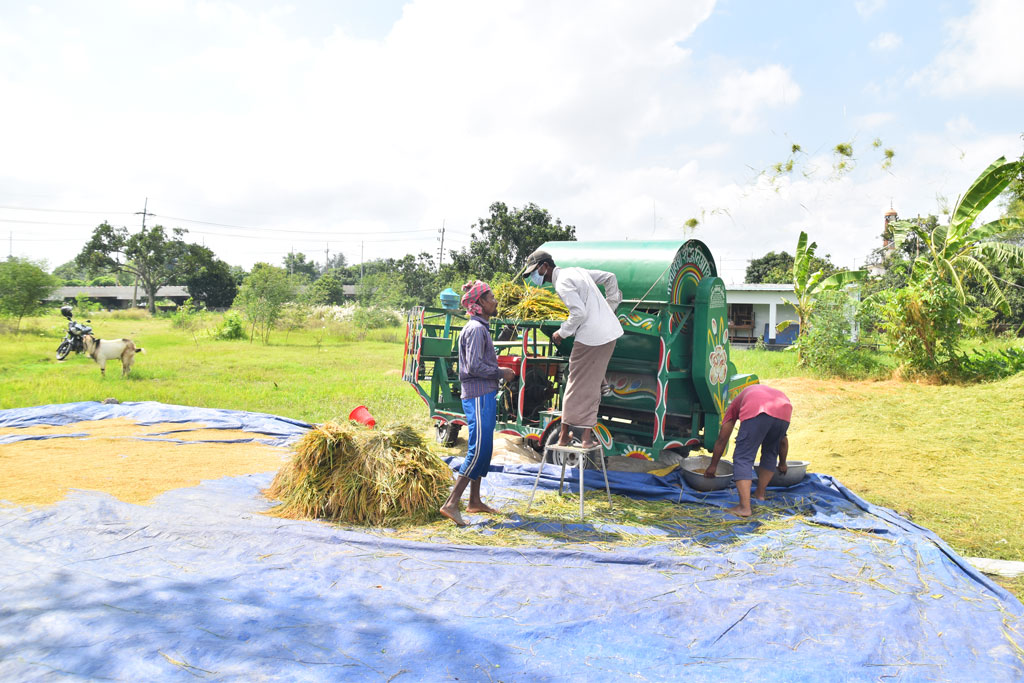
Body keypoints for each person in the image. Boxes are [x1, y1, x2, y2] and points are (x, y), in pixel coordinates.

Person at [519, 249, 623, 449]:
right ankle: (601, 387)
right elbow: (610, 278)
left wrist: (561, 333)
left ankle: (573, 436)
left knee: (576, 385)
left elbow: (578, 313)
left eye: (535, 271)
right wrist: (611, 307)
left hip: (591, 338)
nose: (534, 276)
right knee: (590, 382)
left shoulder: (563, 283)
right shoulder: (576, 271)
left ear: (545, 266)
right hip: (609, 335)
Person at [439, 280, 515, 527]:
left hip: (485, 394)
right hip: (478, 395)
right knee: (477, 448)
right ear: (480, 302)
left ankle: (474, 501)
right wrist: (501, 371)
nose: (495, 301)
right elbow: (473, 367)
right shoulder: (475, 329)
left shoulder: (481, 327)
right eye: (491, 297)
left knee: (484, 448)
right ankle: (452, 503)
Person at [704, 384, 792, 517]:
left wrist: (713, 465)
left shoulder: (733, 405)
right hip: (784, 408)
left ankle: (744, 508)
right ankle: (760, 494)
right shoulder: (759, 392)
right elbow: (783, 441)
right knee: (770, 452)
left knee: (742, 457)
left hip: (758, 408)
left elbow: (722, 439)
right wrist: (783, 463)